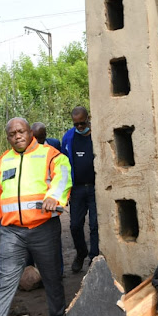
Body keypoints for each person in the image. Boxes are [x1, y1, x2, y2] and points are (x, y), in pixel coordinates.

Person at [0, 118, 71, 316]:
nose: (17, 136)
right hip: (12, 234)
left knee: (52, 282)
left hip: (44, 228)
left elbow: (64, 176)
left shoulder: (50, 155)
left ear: (30, 133)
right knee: (5, 285)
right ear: (8, 137)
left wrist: (54, 197)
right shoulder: (2, 163)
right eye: (12, 134)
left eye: (21, 131)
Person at [61, 106, 99, 272]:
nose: (80, 127)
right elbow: (63, 164)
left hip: (95, 188)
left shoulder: (98, 134)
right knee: (75, 225)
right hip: (77, 189)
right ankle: (81, 252)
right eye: (76, 124)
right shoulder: (69, 137)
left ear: (88, 118)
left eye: (82, 123)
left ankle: (94, 258)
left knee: (95, 225)